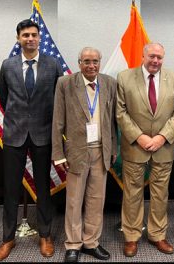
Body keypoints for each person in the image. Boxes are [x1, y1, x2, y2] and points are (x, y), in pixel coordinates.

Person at [0, 19, 63, 262]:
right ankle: (8, 238)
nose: (30, 39)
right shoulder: (8, 65)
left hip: (43, 134)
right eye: (25, 35)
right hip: (15, 134)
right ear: (18, 38)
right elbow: (3, 96)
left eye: (34, 35)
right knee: (11, 188)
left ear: (39, 37)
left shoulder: (52, 64)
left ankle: (45, 235)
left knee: (44, 187)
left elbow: (59, 98)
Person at [116, 42, 174, 257]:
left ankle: (157, 235)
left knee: (160, 194)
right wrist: (140, 137)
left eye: (160, 57)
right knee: (132, 194)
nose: (156, 61)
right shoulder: (125, 77)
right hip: (135, 146)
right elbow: (120, 111)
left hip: (163, 147)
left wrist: (162, 137)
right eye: (152, 56)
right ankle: (131, 236)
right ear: (143, 56)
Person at [52, 47, 117, 263]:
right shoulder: (66, 83)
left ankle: (91, 242)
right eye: (86, 61)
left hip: (101, 150)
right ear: (79, 63)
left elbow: (113, 121)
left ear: (100, 62)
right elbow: (58, 121)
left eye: (95, 61)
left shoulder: (109, 83)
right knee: (74, 200)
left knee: (96, 200)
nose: (91, 66)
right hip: (76, 152)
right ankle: (73, 244)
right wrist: (59, 154)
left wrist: (113, 149)